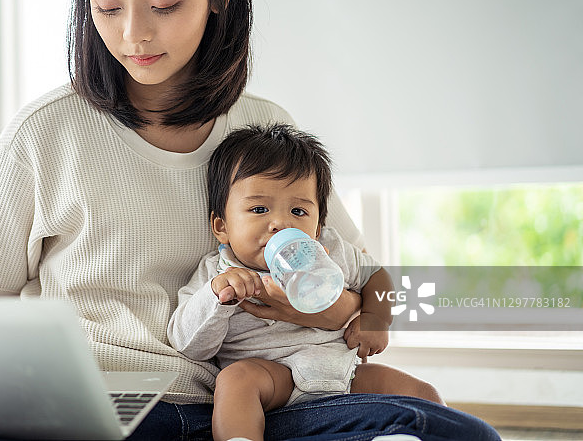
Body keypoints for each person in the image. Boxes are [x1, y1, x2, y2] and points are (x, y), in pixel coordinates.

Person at [0, 0, 501, 439]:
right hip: (98, 400)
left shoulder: (266, 129)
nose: (134, 34)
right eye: (108, 7)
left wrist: (326, 309)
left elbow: (354, 282)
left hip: (249, 403)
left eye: (163, 4)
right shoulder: (46, 131)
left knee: (456, 431)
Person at [168, 124, 444, 441]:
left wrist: (376, 318)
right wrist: (217, 297)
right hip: (273, 378)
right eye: (259, 209)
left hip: (344, 372)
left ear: (317, 225)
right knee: (235, 381)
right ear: (221, 226)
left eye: (298, 210)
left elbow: (376, 276)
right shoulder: (218, 271)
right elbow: (188, 344)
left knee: (424, 393)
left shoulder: (330, 250)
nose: (281, 223)